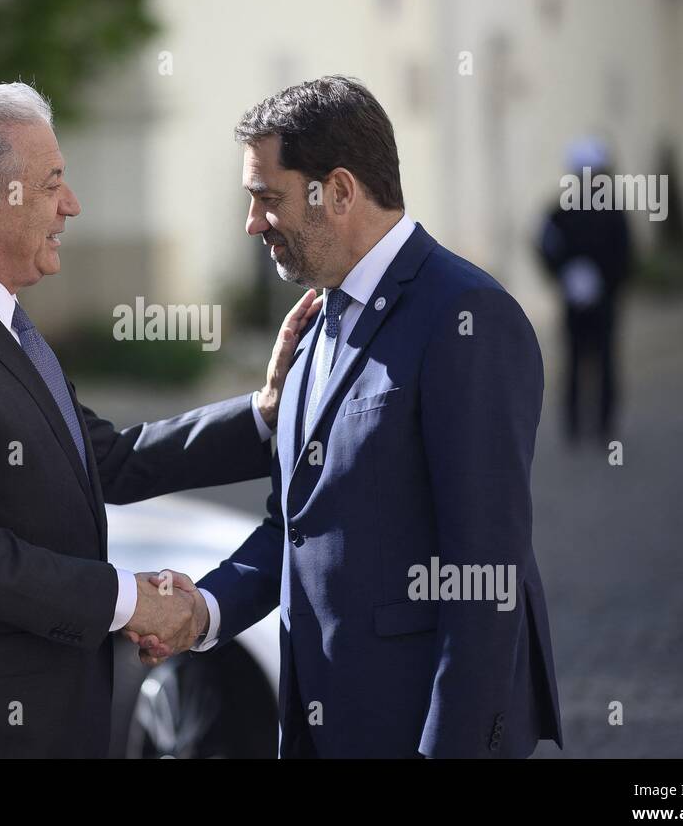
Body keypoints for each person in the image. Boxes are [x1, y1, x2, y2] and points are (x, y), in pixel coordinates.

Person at [0, 82, 317, 757]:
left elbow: (101, 457)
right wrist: (129, 601)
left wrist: (262, 415)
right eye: (53, 182)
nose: (72, 205)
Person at [140, 76, 562, 758]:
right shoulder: (313, 320)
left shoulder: (466, 316)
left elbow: (486, 578)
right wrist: (204, 612)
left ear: (338, 191)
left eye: (266, 199)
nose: (253, 224)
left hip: (417, 728)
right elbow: (295, 529)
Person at [538, 138, 632, 443]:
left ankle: (591, 426)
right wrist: (565, 276)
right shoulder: (563, 211)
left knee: (595, 361)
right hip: (584, 301)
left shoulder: (570, 210)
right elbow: (545, 245)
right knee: (584, 361)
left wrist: (602, 283)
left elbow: (624, 253)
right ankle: (585, 426)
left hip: (596, 300)